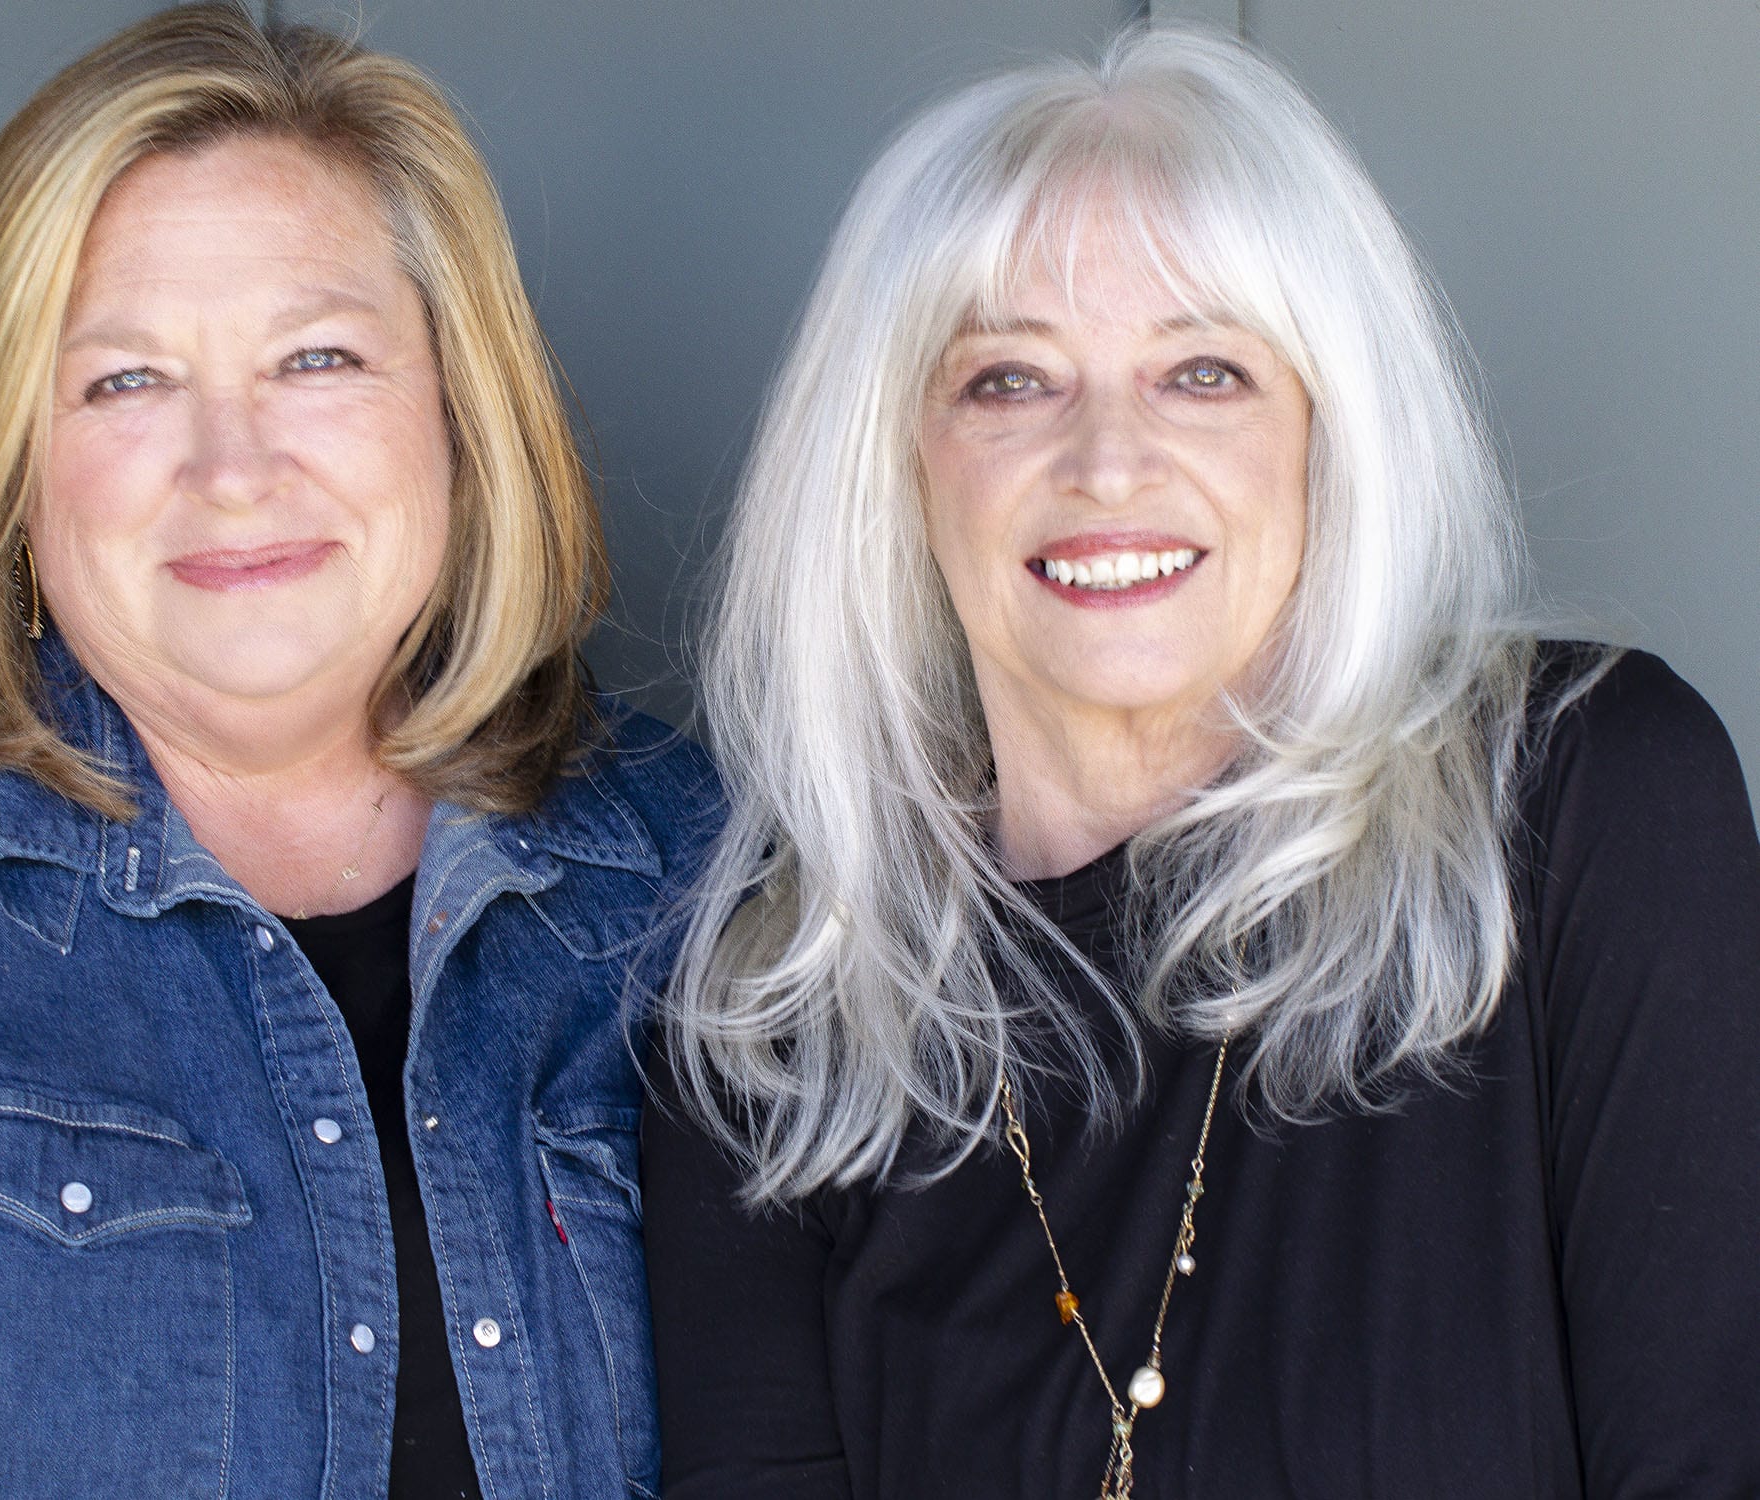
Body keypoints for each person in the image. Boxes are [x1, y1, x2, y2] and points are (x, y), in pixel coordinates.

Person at [644, 24, 1760, 1500]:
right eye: (1007, 381)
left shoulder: (1584, 803)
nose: (1109, 460)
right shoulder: (770, 1024)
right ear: (896, 466)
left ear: (1329, 432)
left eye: (1205, 372)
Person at [0, 7, 716, 1497]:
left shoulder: (679, 862)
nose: (234, 468)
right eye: (127, 381)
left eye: (319, 357)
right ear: (8, 464)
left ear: (461, 416)